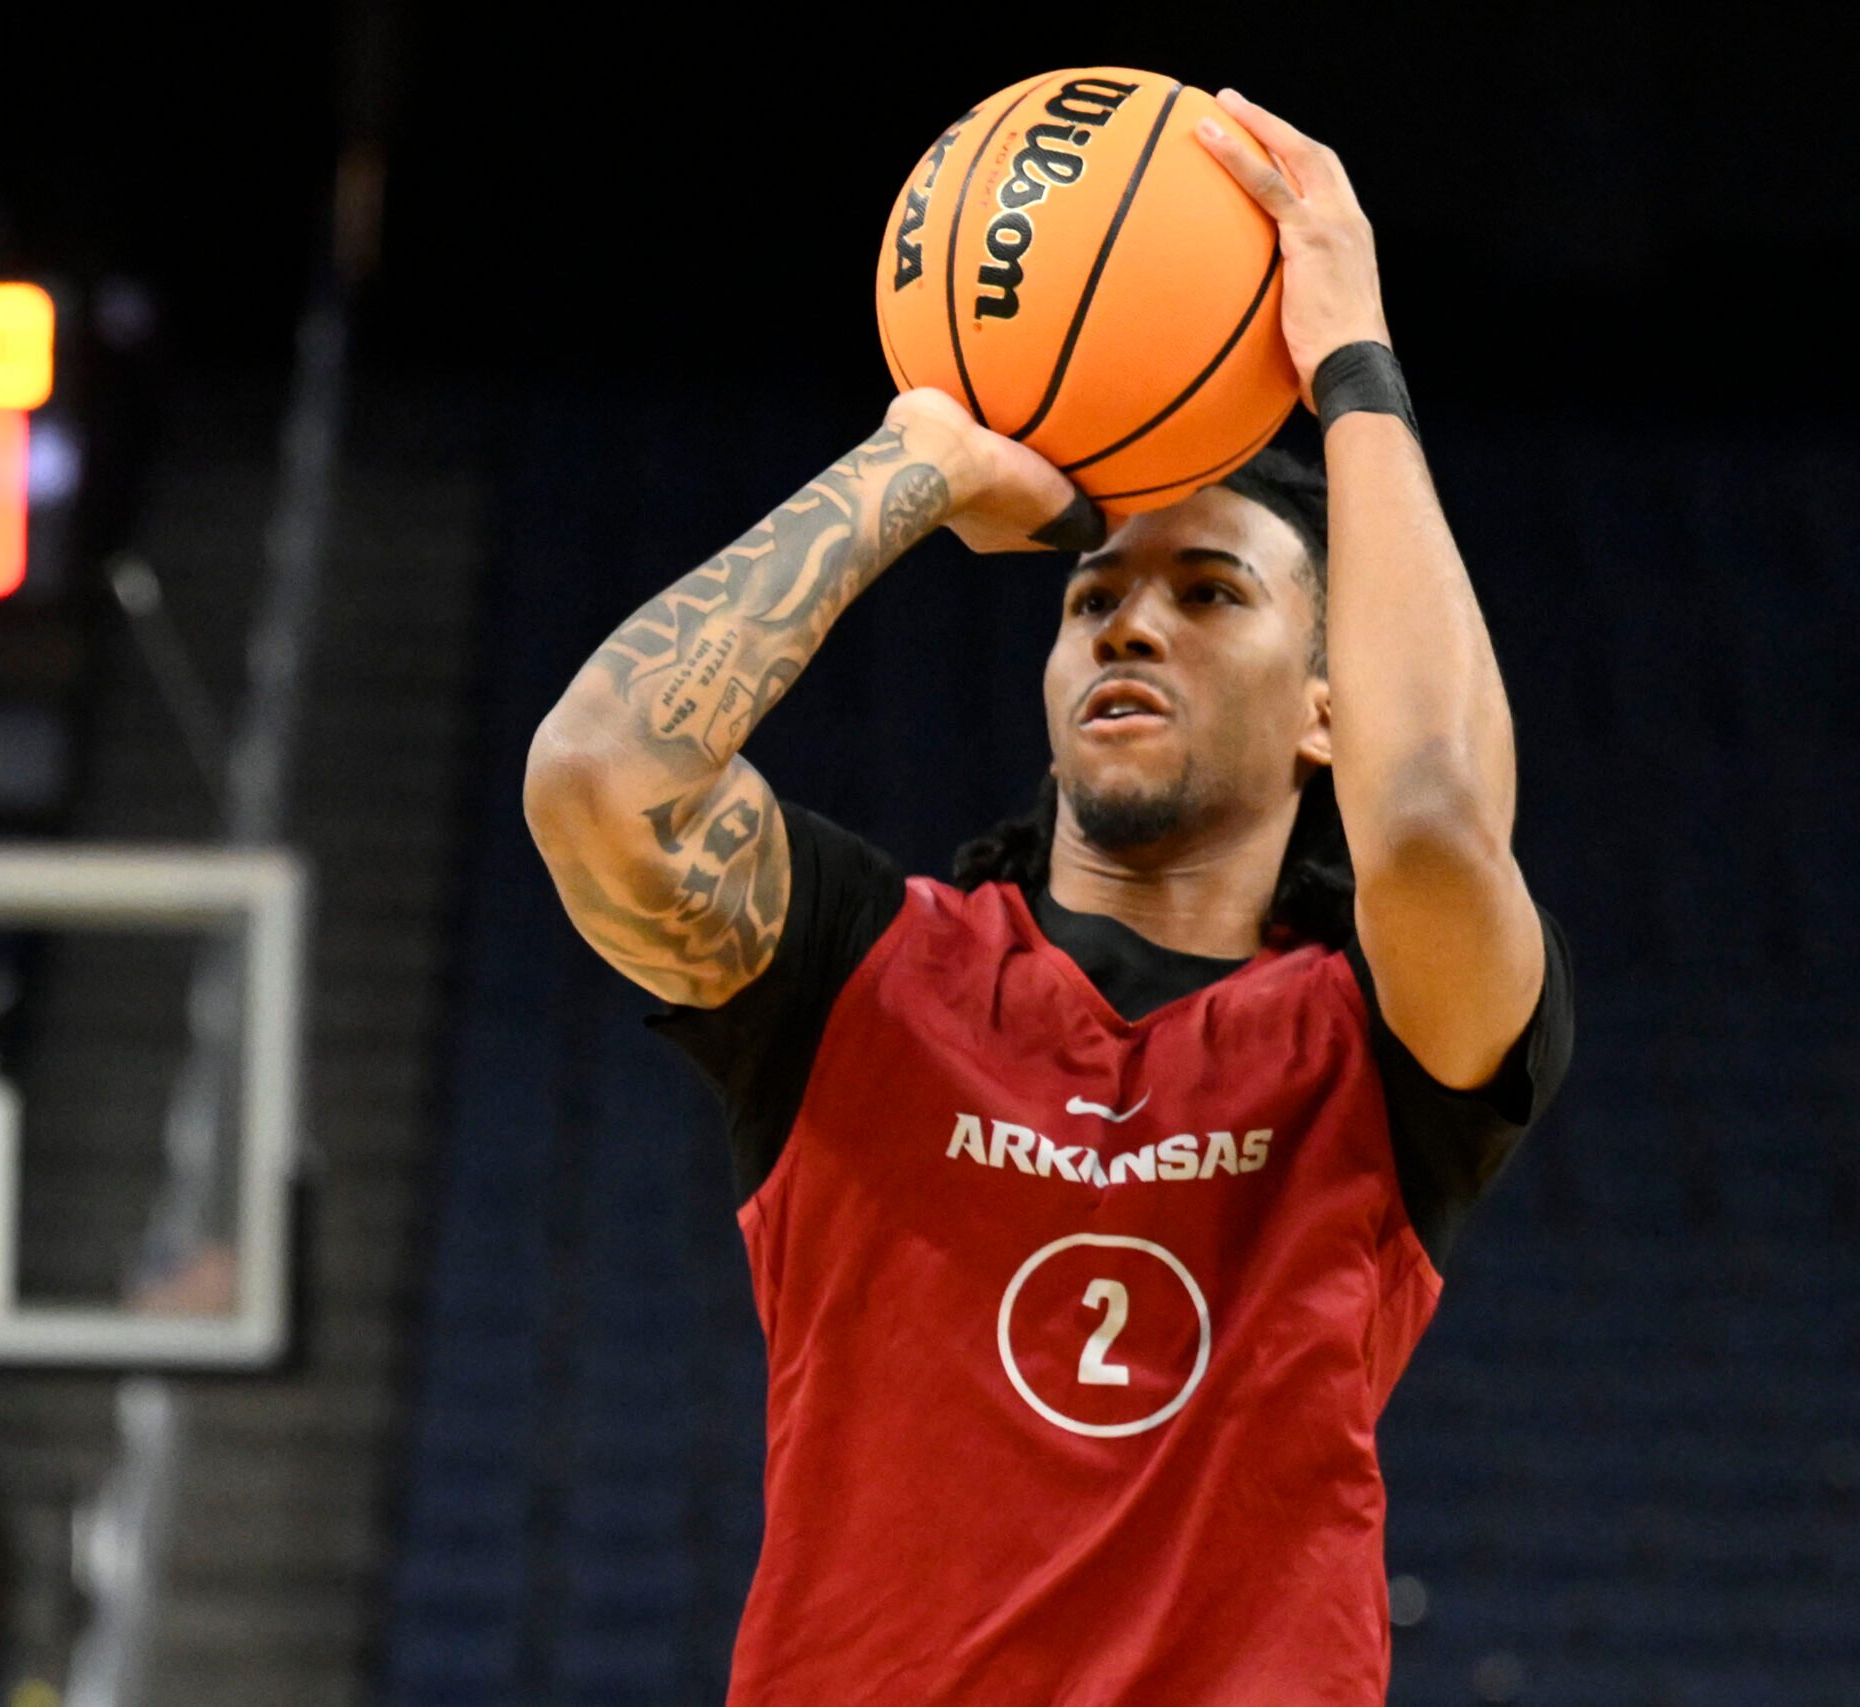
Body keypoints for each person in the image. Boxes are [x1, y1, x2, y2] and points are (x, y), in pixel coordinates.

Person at [521, 89, 1572, 1704]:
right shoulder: (868, 970)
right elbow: (598, 780)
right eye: (1095, 595)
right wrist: (917, 459)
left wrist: (1352, 359)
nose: (1129, 627)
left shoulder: (1376, 1035)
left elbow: (1430, 823)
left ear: (1327, 710)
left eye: (1209, 591)